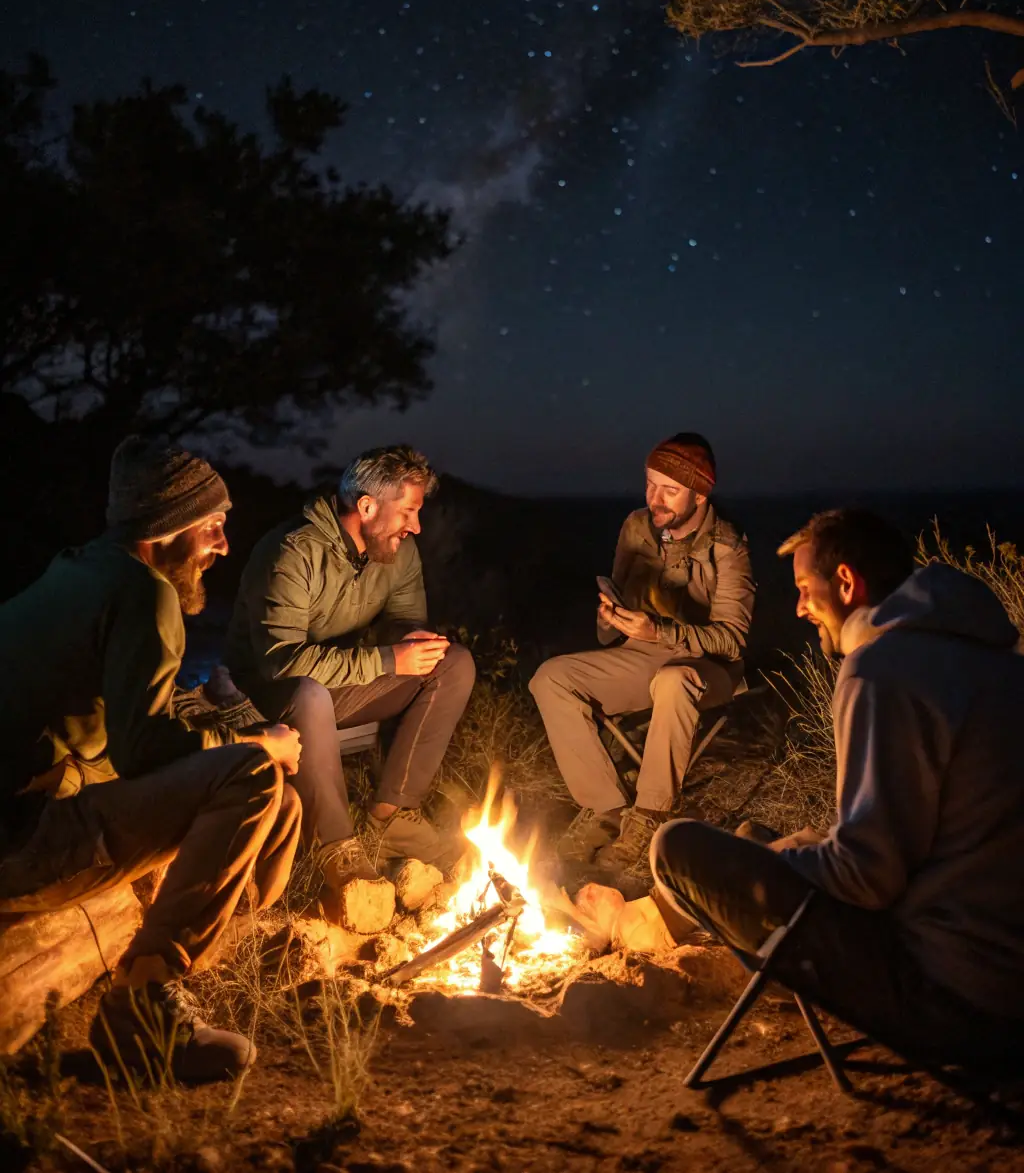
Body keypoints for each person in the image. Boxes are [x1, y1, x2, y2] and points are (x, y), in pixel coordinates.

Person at [652, 507, 1024, 1069]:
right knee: (757, 836)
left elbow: (866, 874)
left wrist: (776, 858)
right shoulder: (996, 661)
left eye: (805, 589)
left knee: (675, 847)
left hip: (955, 999)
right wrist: (783, 849)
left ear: (846, 582)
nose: (800, 608)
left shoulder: (879, 669)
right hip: (1004, 977)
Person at [0, 436, 302, 1081]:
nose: (223, 546)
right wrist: (257, 743)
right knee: (253, 775)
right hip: (23, 842)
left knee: (277, 796)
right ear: (167, 529)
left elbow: (104, 723)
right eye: (213, 528)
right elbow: (143, 753)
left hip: (26, 810)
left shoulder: (75, 570)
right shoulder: (145, 592)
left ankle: (205, 951)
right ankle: (143, 1006)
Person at [224, 445, 475, 917]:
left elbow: (401, 621)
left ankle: (393, 815)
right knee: (310, 692)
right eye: (409, 512)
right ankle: (337, 848)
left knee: (454, 663)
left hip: (338, 682)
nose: (416, 527)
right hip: (267, 693)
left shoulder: (398, 553)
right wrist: (386, 660)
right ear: (366, 507)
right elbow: (283, 664)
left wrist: (410, 640)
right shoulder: (293, 552)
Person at [529, 433, 755, 874]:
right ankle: (605, 809)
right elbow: (617, 603)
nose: (656, 498)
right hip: (642, 651)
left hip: (707, 667)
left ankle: (649, 816)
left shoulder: (727, 547)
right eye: (650, 484)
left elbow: (732, 639)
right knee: (550, 678)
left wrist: (661, 630)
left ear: (700, 493)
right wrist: (612, 615)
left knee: (672, 680)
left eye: (670, 490)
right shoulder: (636, 526)